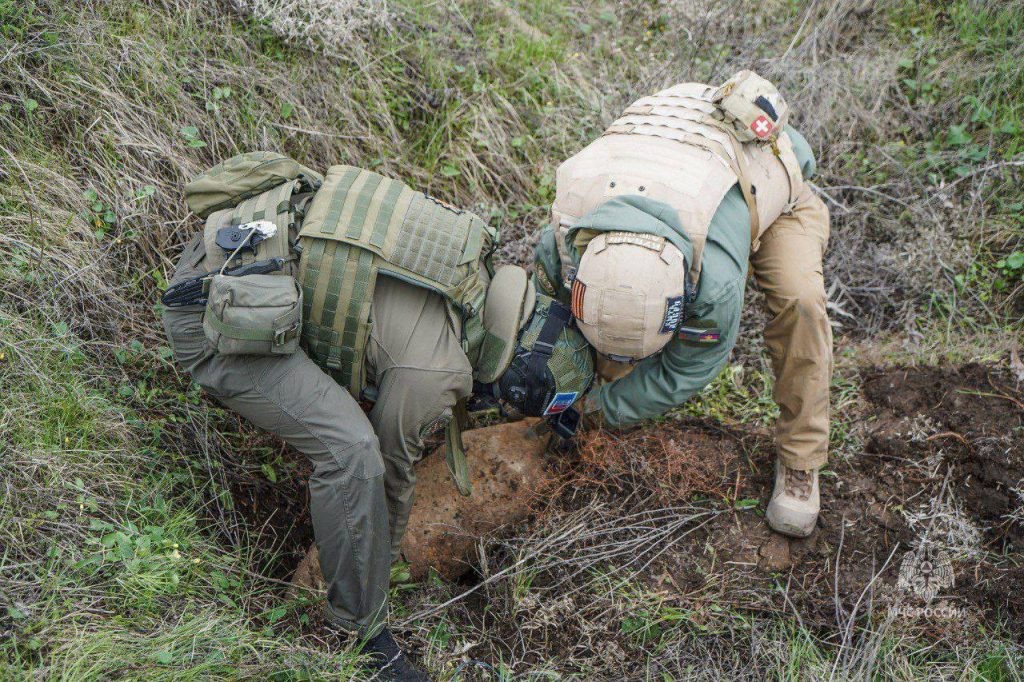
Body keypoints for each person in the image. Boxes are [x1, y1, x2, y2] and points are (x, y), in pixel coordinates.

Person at [162, 157, 594, 681]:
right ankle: (359, 632)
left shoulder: (466, 268)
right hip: (212, 319)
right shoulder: (438, 371)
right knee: (350, 453)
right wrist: (383, 568)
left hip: (233, 244)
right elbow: (391, 468)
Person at [533, 71, 832, 538]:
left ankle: (801, 459)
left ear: (682, 299)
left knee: (802, 304)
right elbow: (556, 327)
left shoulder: (711, 286)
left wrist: (595, 409)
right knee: (616, 342)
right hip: (670, 166)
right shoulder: (561, 245)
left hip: (770, 191)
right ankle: (587, 410)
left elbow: (688, 368)